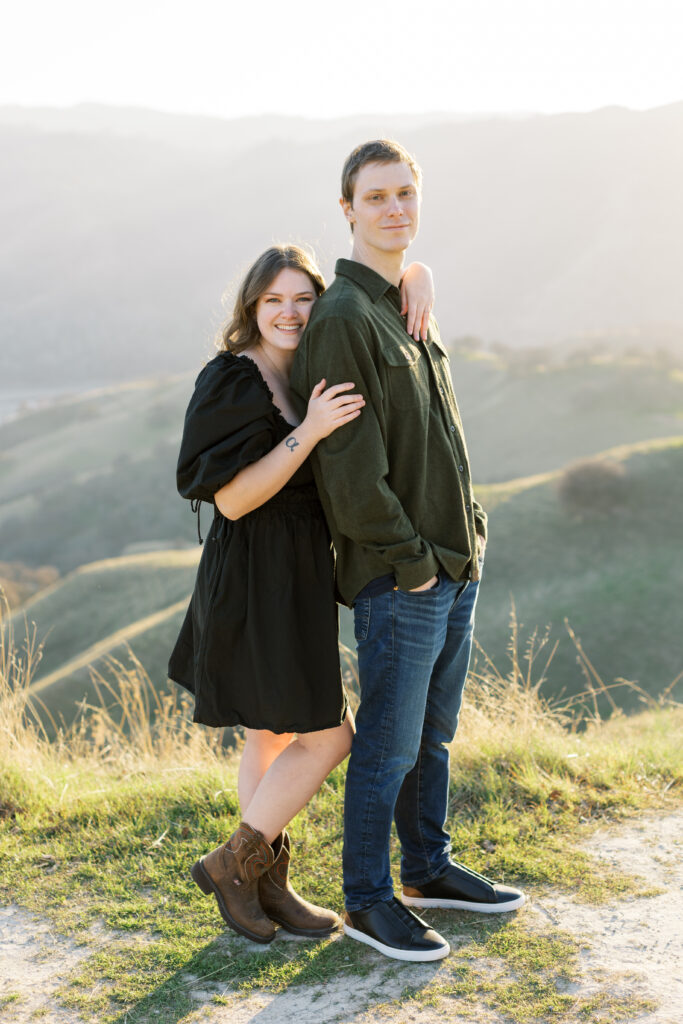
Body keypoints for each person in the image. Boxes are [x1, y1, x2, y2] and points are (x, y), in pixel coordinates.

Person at [291, 140, 526, 964]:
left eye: (405, 194)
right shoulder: (344, 320)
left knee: (431, 736)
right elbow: (349, 474)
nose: (394, 209)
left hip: (453, 563)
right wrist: (414, 559)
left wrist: (462, 543)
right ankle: (366, 900)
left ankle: (427, 869)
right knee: (388, 745)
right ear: (347, 209)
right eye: (376, 197)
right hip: (403, 575)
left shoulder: (400, 303)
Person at [168, 244, 435, 945]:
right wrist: (310, 432)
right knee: (328, 737)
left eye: (302, 299)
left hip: (298, 574)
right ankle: (234, 864)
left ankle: (265, 883)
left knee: (270, 731)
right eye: (272, 301)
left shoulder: (302, 370)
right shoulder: (233, 378)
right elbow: (230, 500)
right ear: (250, 309)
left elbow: (382, 271)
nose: (288, 313)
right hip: (256, 578)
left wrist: (417, 275)